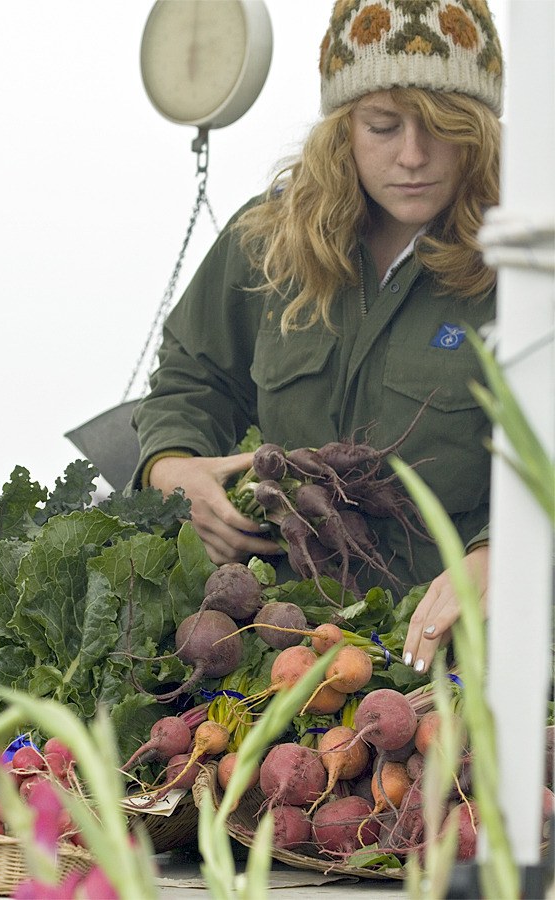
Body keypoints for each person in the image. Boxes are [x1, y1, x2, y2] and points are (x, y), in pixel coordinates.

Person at [130, 0, 503, 676]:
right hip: (281, 647)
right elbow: (192, 379)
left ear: (479, 131)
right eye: (383, 127)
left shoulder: (527, 263)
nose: (413, 157)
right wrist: (177, 467)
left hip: (453, 663)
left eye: (442, 129)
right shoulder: (267, 243)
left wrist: (499, 557)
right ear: (342, 129)